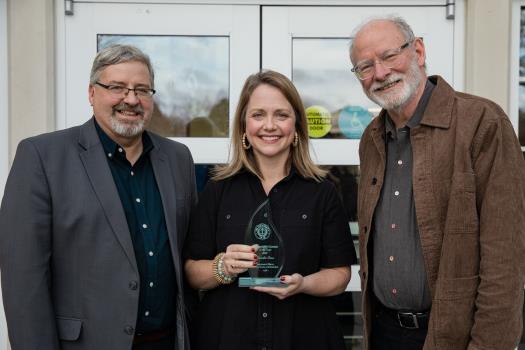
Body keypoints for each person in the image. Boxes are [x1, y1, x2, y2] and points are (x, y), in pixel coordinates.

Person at [0, 44, 196, 350]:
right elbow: (24, 281)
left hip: (166, 342)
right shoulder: (42, 157)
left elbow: (187, 255)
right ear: (92, 94)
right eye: (117, 87)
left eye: (142, 89)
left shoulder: (177, 158)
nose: (131, 99)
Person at [350, 16, 525, 350]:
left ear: (418, 51)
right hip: (385, 332)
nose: (380, 73)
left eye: (388, 56)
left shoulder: (482, 123)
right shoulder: (371, 138)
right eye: (365, 66)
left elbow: (504, 262)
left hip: (454, 337)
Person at [184, 70, 357, 350]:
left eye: (281, 115)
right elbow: (192, 271)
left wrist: (304, 284)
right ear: (243, 126)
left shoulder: (322, 192)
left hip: (303, 337)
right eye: (258, 115)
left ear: (297, 125)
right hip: (229, 337)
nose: (269, 125)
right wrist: (222, 267)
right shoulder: (218, 190)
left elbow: (340, 275)